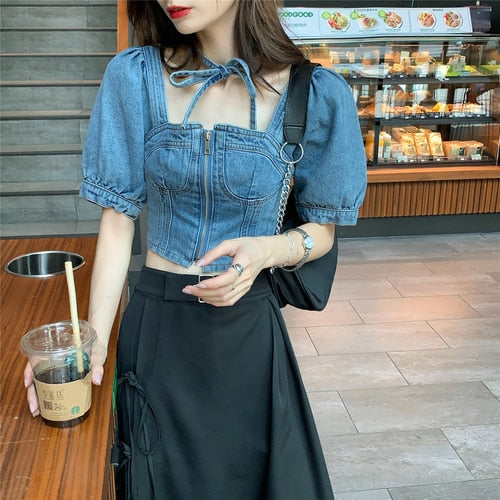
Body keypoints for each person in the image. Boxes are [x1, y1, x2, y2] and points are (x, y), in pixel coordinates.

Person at [25, 0, 366, 497]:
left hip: (248, 336)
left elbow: (323, 233)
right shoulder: (134, 76)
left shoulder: (312, 92)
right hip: (158, 329)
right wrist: (91, 341)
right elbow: (118, 220)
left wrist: (267, 251)